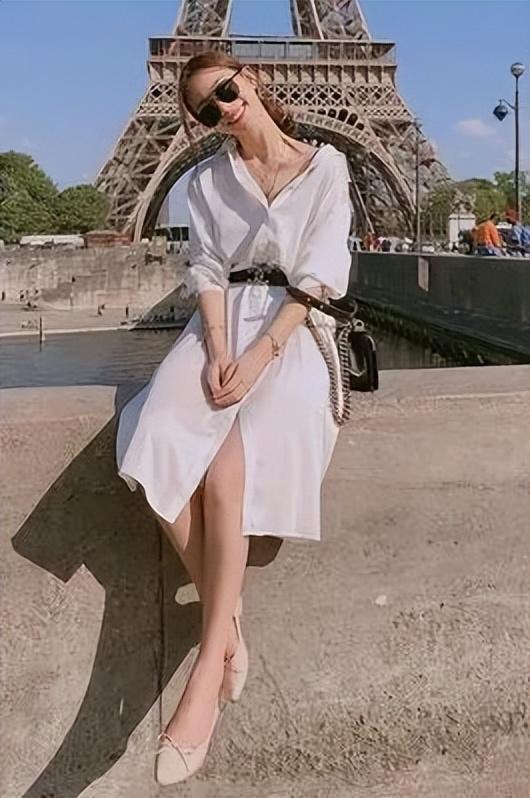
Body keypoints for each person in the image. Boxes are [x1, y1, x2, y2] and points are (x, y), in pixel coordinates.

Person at [115, 51, 352, 785]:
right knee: (153, 441)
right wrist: (220, 349)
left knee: (225, 469)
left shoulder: (328, 167)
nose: (223, 107)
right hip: (219, 325)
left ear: (251, 77)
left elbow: (317, 276)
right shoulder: (206, 181)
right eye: (207, 107)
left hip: (292, 330)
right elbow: (208, 271)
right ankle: (228, 631)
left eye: (226, 89)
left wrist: (260, 356)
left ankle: (201, 687)